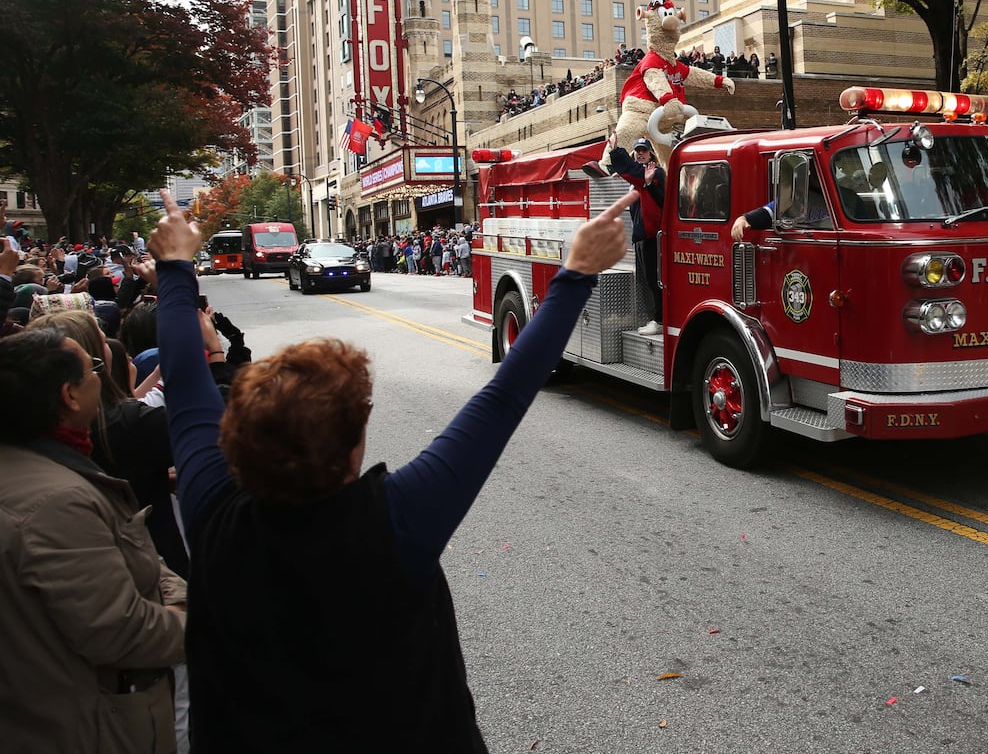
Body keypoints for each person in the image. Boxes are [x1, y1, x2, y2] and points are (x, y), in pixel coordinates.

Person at [148, 186, 631, 751]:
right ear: (356, 438)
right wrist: (576, 272)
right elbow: (503, 398)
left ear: (233, 439)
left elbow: (181, 375)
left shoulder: (211, 511)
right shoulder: (396, 521)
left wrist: (176, 267)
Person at [0, 327, 187, 753]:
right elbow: (122, 630)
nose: (100, 376)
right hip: (90, 726)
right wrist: (191, 615)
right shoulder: (57, 503)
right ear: (69, 396)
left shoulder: (51, 471)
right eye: (93, 369)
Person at [609, 137, 666, 335]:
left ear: (651, 154)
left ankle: (659, 320)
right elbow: (632, 175)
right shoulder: (640, 177)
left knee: (654, 279)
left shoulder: (654, 172)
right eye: (637, 151)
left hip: (653, 237)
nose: (640, 153)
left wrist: (616, 151)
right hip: (642, 237)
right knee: (647, 280)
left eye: (644, 150)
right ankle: (655, 318)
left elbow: (661, 200)